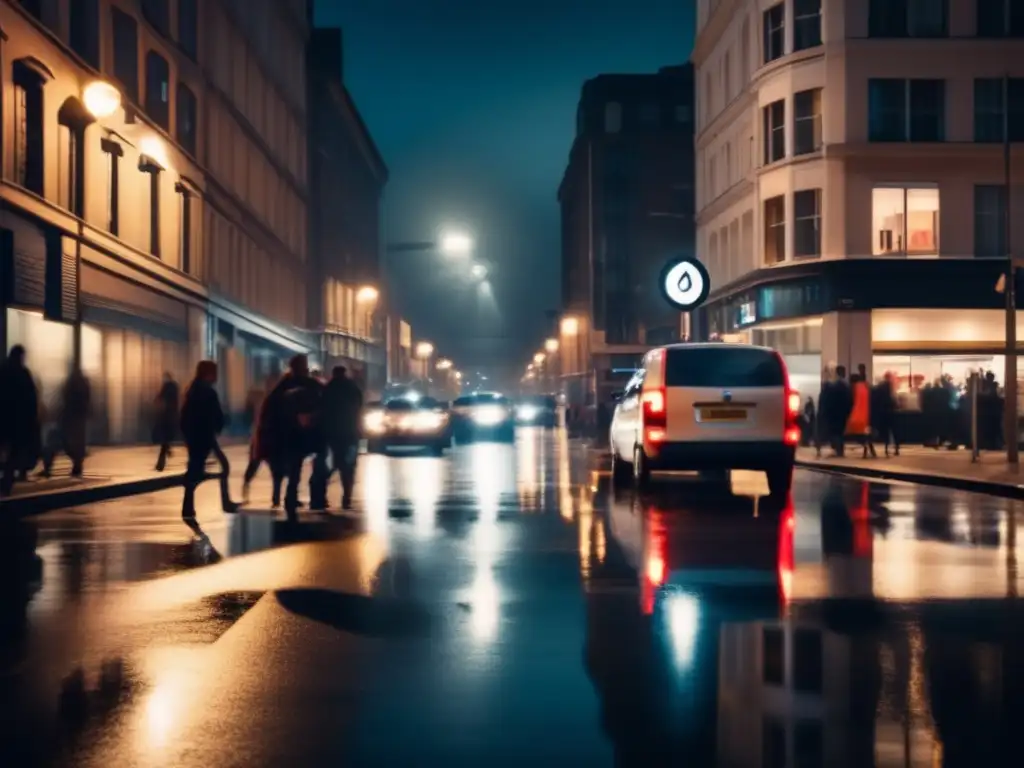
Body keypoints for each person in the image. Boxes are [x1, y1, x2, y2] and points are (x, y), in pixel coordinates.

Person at [263, 355, 323, 521]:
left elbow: (270, 407)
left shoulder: (285, 384)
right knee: (296, 467)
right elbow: (322, 399)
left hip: (289, 434)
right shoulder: (305, 384)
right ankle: (293, 498)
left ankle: (287, 497)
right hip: (297, 434)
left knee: (291, 467)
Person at [180, 360, 238, 520]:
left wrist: (187, 435)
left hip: (196, 436)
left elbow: (184, 416)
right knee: (202, 470)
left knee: (198, 469)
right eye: (215, 373)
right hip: (205, 437)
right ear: (209, 374)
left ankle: (189, 506)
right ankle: (192, 506)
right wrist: (222, 423)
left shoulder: (192, 390)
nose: (217, 377)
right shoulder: (208, 392)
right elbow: (215, 415)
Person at [313, 366, 364, 510]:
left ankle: (320, 496)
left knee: (331, 465)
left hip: (332, 434)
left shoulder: (328, 389)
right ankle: (346, 497)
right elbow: (359, 407)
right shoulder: (352, 388)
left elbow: (322, 409)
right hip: (350, 433)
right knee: (349, 467)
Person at [0, 346, 40, 496]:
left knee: (6, 449)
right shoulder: (23, 373)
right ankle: (7, 481)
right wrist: (32, 418)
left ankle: (7, 479)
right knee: (15, 452)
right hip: (18, 421)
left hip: (4, 419)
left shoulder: (3, 371)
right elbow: (30, 398)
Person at [242, 372, 284, 506]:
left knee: (275, 470)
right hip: (262, 438)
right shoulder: (264, 398)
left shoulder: (273, 398)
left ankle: (276, 498)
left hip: (267, 438)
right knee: (256, 466)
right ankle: (246, 488)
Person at [40, 368, 92, 478]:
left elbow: (64, 398)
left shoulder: (74, 386)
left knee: (57, 443)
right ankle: (76, 467)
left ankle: (49, 467)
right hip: (72, 420)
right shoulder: (81, 386)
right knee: (71, 445)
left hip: (69, 419)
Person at [154, 372, 180, 471]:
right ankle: (167, 450)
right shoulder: (175, 386)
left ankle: (160, 463)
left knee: (165, 438)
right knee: (168, 436)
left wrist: (157, 402)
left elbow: (160, 397)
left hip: (166, 414)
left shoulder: (166, 386)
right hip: (173, 414)